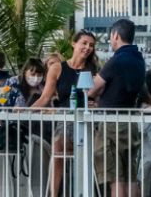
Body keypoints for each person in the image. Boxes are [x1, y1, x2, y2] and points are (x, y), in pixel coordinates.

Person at [31, 31, 99, 197]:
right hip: (64, 120)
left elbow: (99, 97)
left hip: (86, 120)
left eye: (91, 45)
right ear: (73, 43)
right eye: (84, 43)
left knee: (83, 157)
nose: (87, 48)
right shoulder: (57, 68)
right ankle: (54, 194)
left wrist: (96, 104)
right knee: (58, 153)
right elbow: (45, 97)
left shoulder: (93, 70)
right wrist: (25, 110)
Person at [87, 19, 146, 197]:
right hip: (131, 122)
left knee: (116, 178)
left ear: (116, 36)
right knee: (131, 176)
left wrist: (95, 95)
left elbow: (93, 87)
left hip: (112, 124)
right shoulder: (139, 60)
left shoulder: (116, 60)